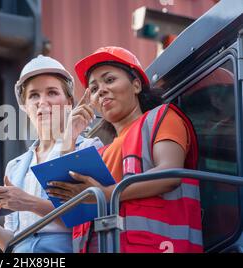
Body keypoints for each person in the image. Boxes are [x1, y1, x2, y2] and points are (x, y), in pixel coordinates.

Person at [46, 46, 203, 253]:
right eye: (93, 89)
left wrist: (106, 193)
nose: (100, 90)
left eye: (109, 80)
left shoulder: (161, 118)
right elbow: (70, 201)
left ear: (136, 85)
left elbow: (169, 174)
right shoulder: (99, 154)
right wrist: (70, 136)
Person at [0, 55, 103, 253]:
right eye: (34, 95)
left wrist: (29, 203)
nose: (43, 102)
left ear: (69, 101)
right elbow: (14, 242)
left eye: (52, 92)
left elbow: (88, 219)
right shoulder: (15, 166)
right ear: (24, 106)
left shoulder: (86, 148)